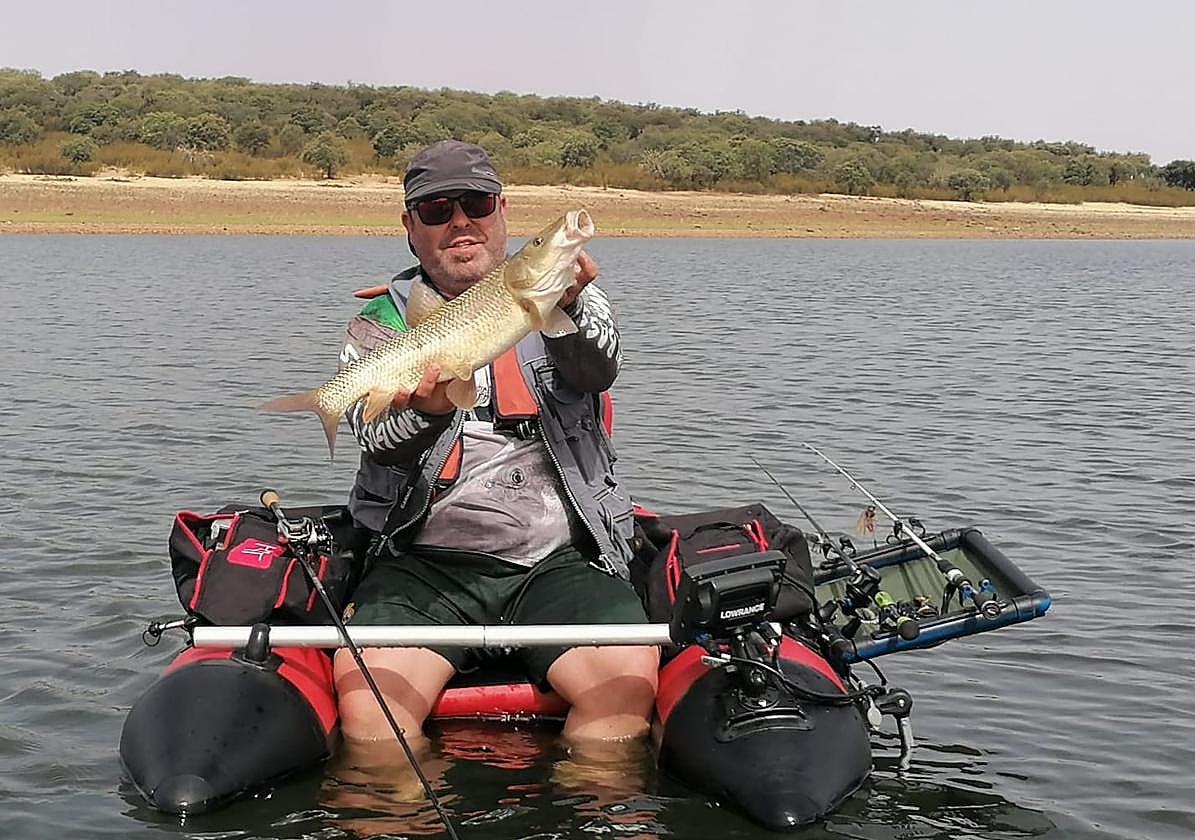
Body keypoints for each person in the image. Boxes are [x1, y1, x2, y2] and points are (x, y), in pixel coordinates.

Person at [333, 140, 659, 752]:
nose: (461, 222)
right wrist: (426, 413)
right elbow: (374, 438)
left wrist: (567, 312)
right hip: (423, 564)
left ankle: (584, 798)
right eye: (437, 210)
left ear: (502, 211)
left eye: (477, 204)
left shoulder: (573, 294)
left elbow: (599, 370)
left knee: (622, 694)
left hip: (559, 561)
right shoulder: (381, 322)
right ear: (410, 227)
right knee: (373, 721)